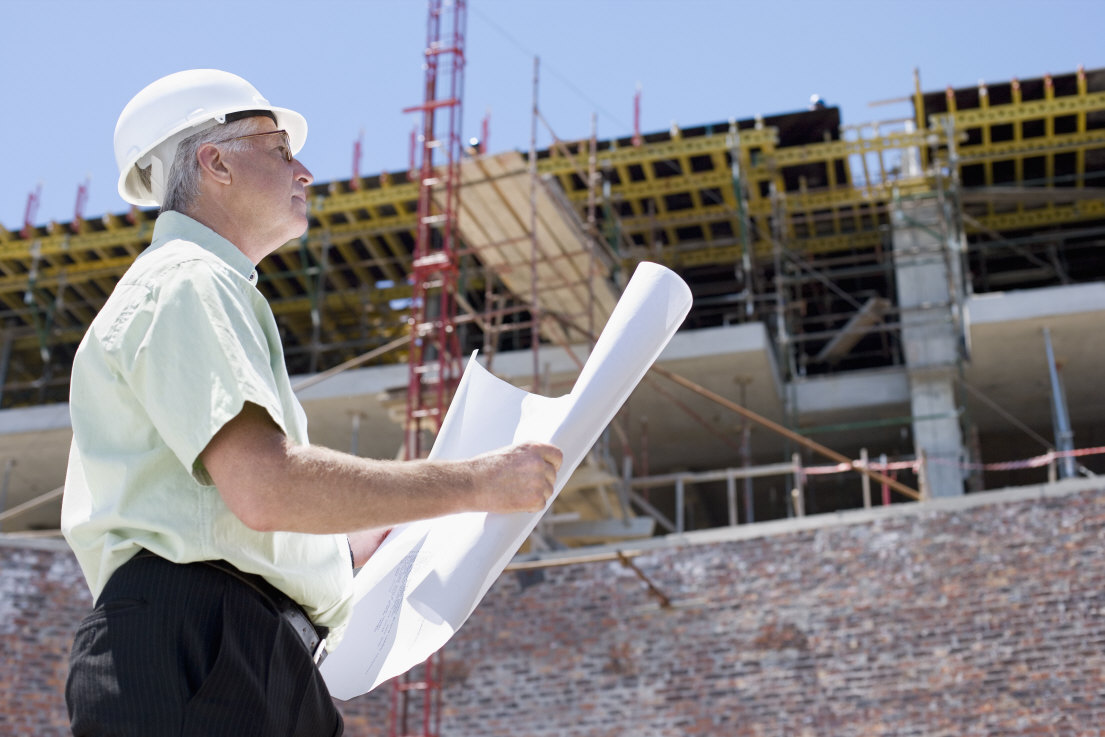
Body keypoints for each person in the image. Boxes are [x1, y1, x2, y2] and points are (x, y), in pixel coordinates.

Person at [61, 69, 563, 737]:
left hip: (245, 650)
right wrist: (479, 482)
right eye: (278, 149)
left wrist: (348, 547)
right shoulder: (187, 282)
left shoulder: (205, 288)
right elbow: (266, 487)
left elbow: (232, 516)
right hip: (202, 644)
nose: (305, 171)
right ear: (214, 163)